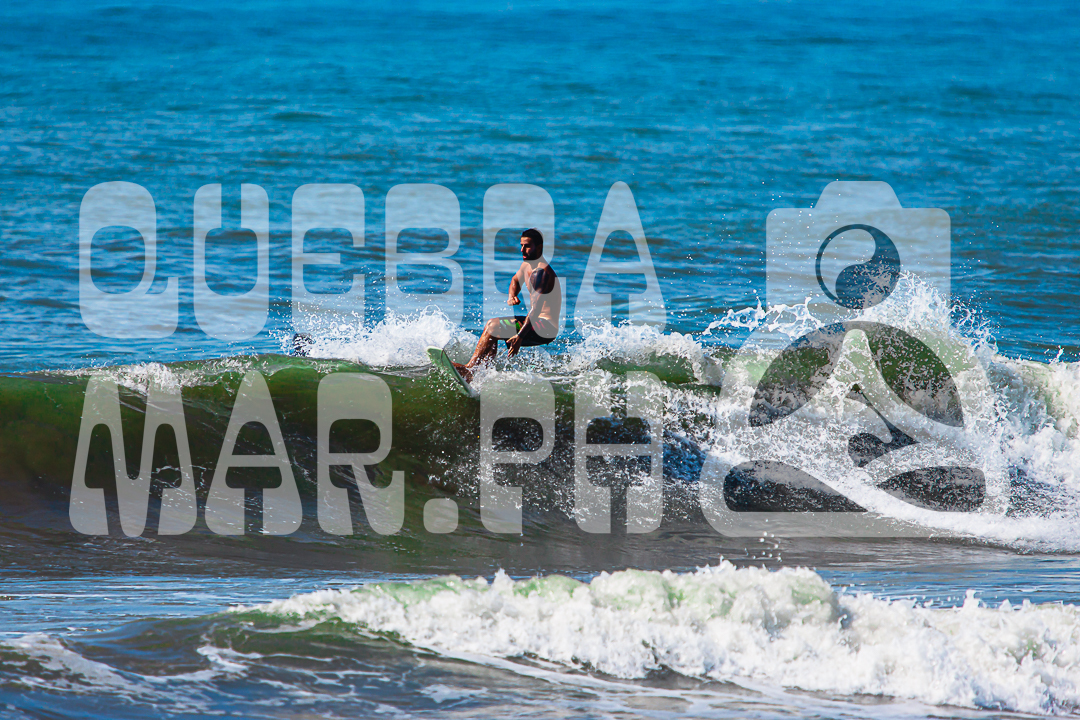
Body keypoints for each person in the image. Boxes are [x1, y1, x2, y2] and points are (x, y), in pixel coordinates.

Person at [457, 228, 560, 381]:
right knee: (492, 330)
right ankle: (482, 375)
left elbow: (536, 309)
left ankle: (469, 370)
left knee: (493, 325)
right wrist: (512, 295)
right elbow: (515, 280)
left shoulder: (541, 273)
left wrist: (520, 336)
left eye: (527, 246)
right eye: (521, 245)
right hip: (536, 322)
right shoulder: (527, 265)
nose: (522, 250)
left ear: (539, 247)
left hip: (545, 327)